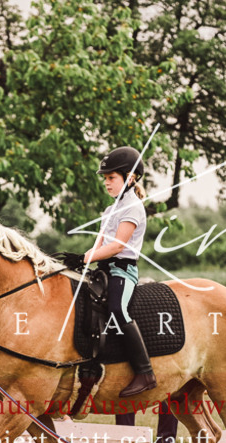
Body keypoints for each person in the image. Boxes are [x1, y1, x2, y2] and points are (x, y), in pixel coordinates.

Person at [84, 146, 154, 397]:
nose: (106, 183)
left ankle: (145, 372)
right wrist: (82, 261)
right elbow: (99, 244)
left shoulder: (133, 207)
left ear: (130, 178)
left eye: (111, 178)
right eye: (105, 178)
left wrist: (85, 257)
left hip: (123, 272)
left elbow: (117, 246)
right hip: (103, 270)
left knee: (117, 310)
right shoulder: (110, 210)